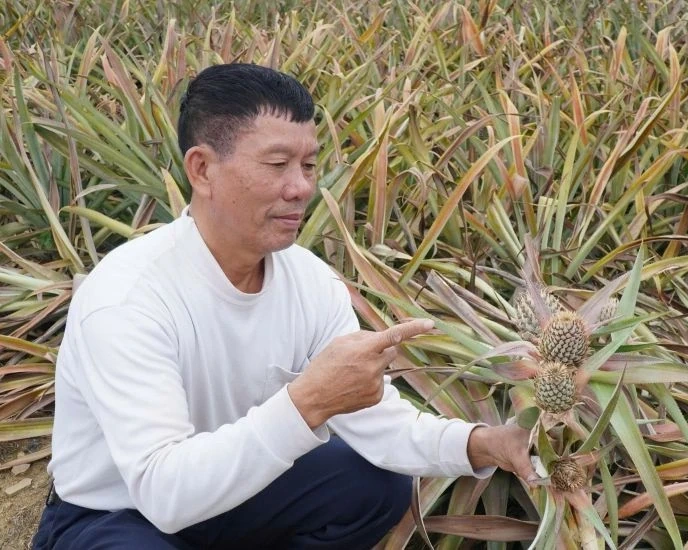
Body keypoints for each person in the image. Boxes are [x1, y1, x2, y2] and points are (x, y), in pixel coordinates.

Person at [32, 63, 535, 550]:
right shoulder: (128, 298)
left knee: (374, 484)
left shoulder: (310, 281)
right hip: (116, 515)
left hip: (232, 499)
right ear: (202, 169)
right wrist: (309, 401)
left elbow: (379, 424)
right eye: (277, 165)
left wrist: (483, 443)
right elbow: (164, 493)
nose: (302, 187)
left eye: (309, 164)